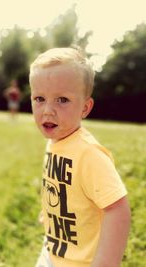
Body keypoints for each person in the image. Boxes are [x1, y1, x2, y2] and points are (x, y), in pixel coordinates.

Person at [29, 47, 131, 267]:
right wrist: (49, 212)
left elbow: (118, 210)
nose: (48, 110)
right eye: (39, 98)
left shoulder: (89, 154)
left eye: (62, 100)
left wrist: (105, 263)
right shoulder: (56, 141)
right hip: (54, 251)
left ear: (85, 108)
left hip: (82, 261)